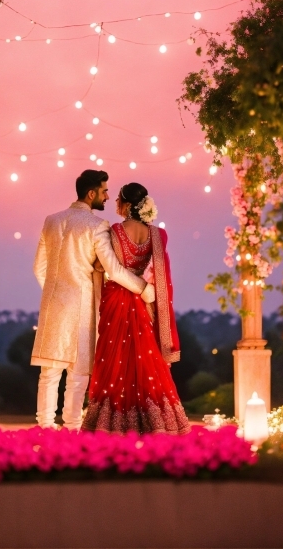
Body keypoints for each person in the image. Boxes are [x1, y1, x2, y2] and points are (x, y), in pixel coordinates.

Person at [31, 169, 156, 430]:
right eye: (104, 191)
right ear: (91, 194)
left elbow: (39, 269)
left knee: (49, 372)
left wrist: (56, 291)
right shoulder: (96, 226)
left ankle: (44, 428)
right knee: (78, 374)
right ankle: (72, 428)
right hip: (82, 307)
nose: (108, 196)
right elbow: (113, 269)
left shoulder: (51, 220)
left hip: (52, 305)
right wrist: (143, 288)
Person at [82, 182, 190, 434]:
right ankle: (156, 423)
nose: (115, 203)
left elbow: (101, 265)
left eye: (118, 199)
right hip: (145, 302)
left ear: (128, 205)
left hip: (117, 301)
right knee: (145, 357)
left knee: (116, 358)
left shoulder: (115, 231)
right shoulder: (157, 235)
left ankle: (111, 425)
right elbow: (159, 272)